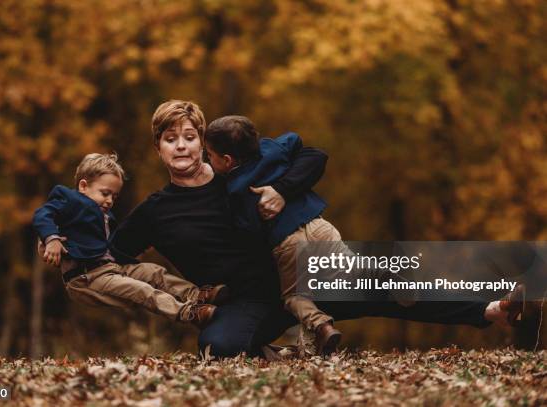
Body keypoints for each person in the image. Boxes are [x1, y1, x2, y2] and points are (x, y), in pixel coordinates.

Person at [110, 99, 528, 358]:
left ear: (207, 145)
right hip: (246, 303)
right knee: (216, 347)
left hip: (304, 272)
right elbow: (113, 256)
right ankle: (281, 352)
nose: (181, 146)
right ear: (158, 148)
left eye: (189, 136)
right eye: (170, 138)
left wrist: (279, 190)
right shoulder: (155, 211)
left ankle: (491, 308)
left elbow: (309, 156)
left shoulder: (236, 173)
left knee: (388, 286)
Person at [204, 115, 346, 355]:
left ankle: (321, 325)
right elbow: (294, 140)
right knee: (352, 266)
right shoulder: (273, 148)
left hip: (288, 243)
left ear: (227, 161)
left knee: (294, 297)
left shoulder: (235, 191)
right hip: (319, 225)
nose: (207, 159)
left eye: (210, 155)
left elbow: (248, 231)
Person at [33, 152, 227, 328]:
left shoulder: (105, 216)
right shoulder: (71, 201)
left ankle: (196, 295)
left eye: (114, 196)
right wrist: (51, 239)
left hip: (111, 269)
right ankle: (188, 312)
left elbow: (109, 247)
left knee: (153, 272)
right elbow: (43, 214)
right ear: (83, 186)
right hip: (86, 278)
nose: (110, 201)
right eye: (105, 193)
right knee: (141, 290)